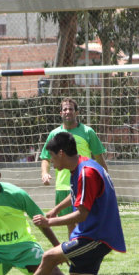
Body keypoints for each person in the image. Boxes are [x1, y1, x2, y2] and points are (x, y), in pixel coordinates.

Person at [0, 132, 126, 275]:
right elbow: (77, 193)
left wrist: (50, 222)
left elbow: (82, 214)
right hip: (92, 234)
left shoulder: (87, 172)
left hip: (97, 236)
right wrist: (57, 208)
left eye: (52, 157)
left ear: (62, 153)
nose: (51, 162)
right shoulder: (82, 165)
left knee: (49, 257)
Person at [41, 98, 108, 237]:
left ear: (77, 112)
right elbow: (45, 157)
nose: (68, 112)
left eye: (71, 109)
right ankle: (74, 252)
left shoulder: (88, 132)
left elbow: (98, 157)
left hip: (83, 182)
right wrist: (45, 173)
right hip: (63, 186)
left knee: (83, 221)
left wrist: (105, 177)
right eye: (65, 109)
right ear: (60, 113)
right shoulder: (54, 134)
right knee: (70, 226)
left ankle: (84, 250)